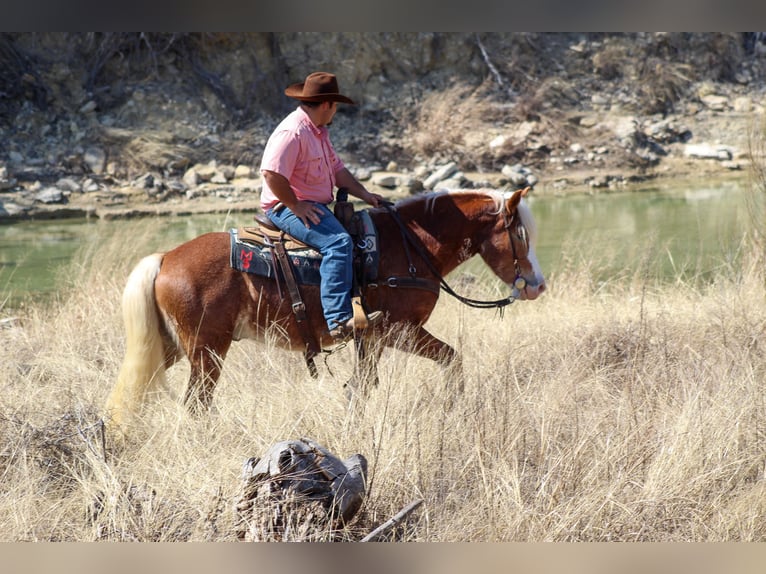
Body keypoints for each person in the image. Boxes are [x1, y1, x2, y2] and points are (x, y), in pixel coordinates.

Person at [259, 71, 384, 339]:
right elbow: (271, 174)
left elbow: (337, 170)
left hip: (305, 202)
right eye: (335, 105)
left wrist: (365, 194)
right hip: (285, 207)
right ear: (327, 104)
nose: (335, 111)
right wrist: (295, 206)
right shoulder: (292, 132)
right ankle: (338, 319)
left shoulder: (318, 132)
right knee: (338, 243)